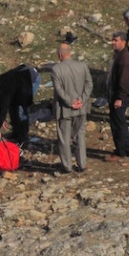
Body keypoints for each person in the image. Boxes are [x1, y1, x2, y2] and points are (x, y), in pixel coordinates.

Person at [51, 43, 93, 173]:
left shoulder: (56, 69)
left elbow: (59, 89)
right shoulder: (82, 66)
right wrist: (81, 100)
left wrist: (70, 102)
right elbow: (89, 84)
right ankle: (82, 164)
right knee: (80, 135)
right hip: (81, 108)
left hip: (65, 109)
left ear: (60, 55)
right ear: (70, 52)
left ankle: (67, 166)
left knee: (64, 138)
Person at [0, 64, 40, 145]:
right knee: (12, 108)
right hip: (18, 82)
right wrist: (3, 119)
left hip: (31, 79)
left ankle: (24, 138)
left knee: (21, 110)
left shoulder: (4, 92)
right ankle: (16, 133)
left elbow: (3, 109)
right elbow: (1, 102)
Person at [105, 32, 129, 162]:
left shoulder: (124, 58)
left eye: (116, 40)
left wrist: (120, 98)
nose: (113, 42)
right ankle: (128, 148)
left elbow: (124, 80)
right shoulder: (119, 55)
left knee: (117, 124)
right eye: (112, 40)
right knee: (121, 122)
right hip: (117, 95)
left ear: (123, 42)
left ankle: (120, 151)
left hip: (119, 96)